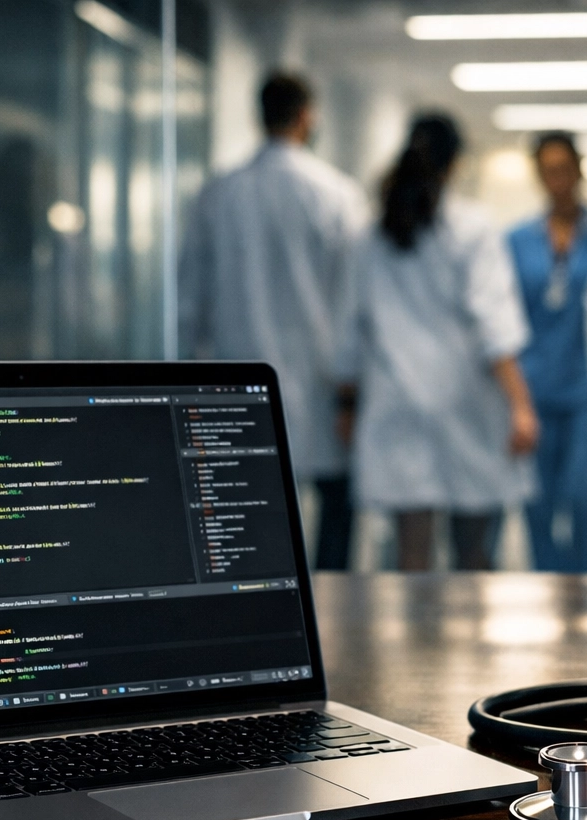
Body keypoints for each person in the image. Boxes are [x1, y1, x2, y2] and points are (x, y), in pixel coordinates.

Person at [177, 72, 368, 569]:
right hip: (322, 384)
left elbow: (189, 300)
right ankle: (332, 616)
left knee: (248, 528)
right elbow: (353, 302)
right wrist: (352, 389)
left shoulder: (218, 194)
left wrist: (186, 374)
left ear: (259, 115)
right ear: (308, 115)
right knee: (334, 512)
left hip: (236, 385)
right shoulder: (337, 195)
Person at [337, 113, 539, 571]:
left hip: (398, 401)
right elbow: (495, 323)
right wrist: (522, 405)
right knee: (472, 555)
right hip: (464, 401)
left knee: (412, 556)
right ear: (455, 164)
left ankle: (415, 645)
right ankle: (468, 645)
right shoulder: (471, 227)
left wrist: (346, 406)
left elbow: (349, 328)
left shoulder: (371, 234)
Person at [507, 132, 587, 572]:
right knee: (537, 502)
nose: (558, 179)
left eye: (565, 169)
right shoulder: (517, 240)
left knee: (585, 494)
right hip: (535, 387)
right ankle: (549, 586)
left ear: (580, 170)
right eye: (548, 170)